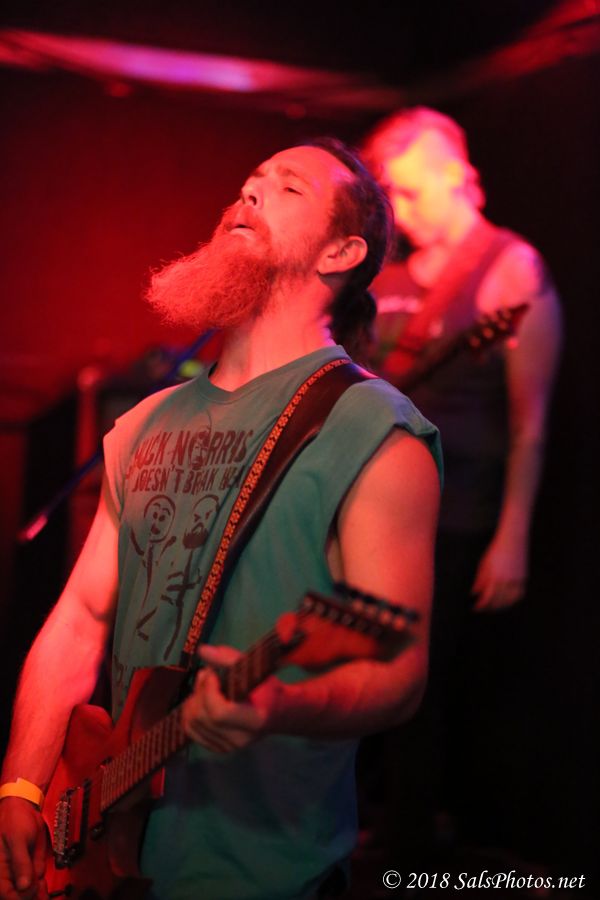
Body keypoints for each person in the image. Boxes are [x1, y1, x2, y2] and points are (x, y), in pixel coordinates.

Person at [0, 138, 441, 900]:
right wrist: (22, 785)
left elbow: (399, 673)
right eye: (249, 182)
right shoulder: (144, 422)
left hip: (265, 871)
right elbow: (79, 617)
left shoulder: (374, 429)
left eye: (287, 188)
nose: (250, 193)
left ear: (342, 252)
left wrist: (281, 704)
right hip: (112, 854)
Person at [360, 108, 562, 860]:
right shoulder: (391, 275)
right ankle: (376, 829)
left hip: (457, 514)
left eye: (412, 193)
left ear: (456, 172)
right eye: (392, 197)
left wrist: (512, 536)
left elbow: (530, 423)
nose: (402, 211)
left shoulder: (510, 267)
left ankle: (414, 849)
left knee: (428, 684)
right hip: (376, 514)